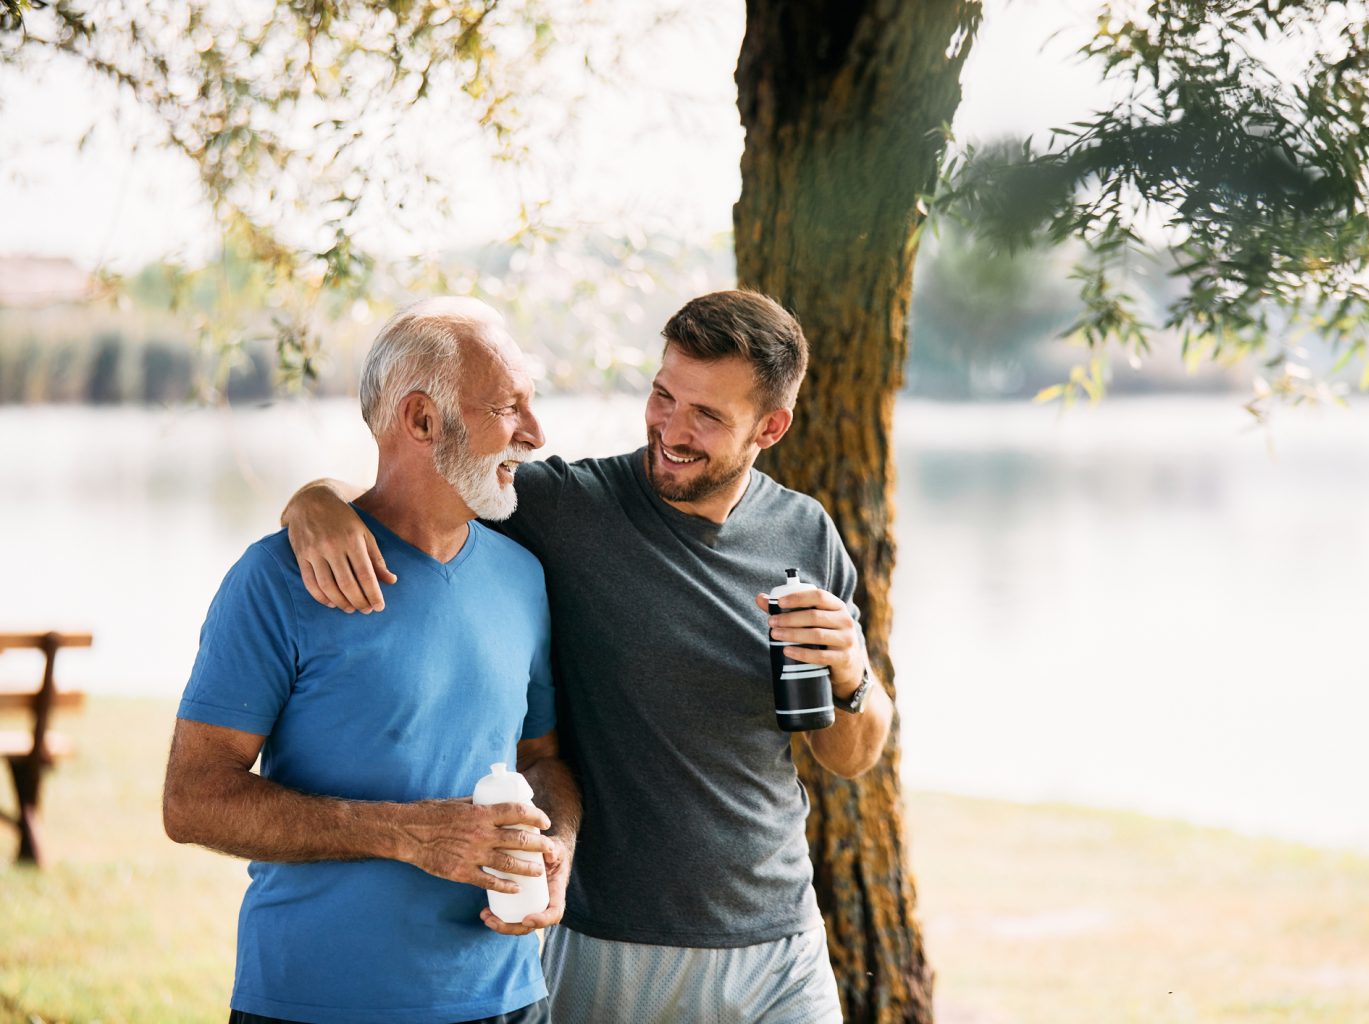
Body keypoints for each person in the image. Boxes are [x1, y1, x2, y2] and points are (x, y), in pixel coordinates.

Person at [283, 289, 895, 1023]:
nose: (671, 427)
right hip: (611, 945)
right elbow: (414, 491)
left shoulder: (804, 532)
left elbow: (850, 755)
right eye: (664, 395)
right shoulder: (570, 507)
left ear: (771, 425)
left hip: (781, 945)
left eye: (707, 414)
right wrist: (315, 499)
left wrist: (855, 678)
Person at [164, 297, 580, 1024]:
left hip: (509, 999)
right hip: (315, 1001)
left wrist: (560, 842)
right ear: (421, 420)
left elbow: (541, 756)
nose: (536, 435)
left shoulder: (524, 575)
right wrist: (403, 833)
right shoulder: (277, 580)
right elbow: (192, 799)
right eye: (508, 408)